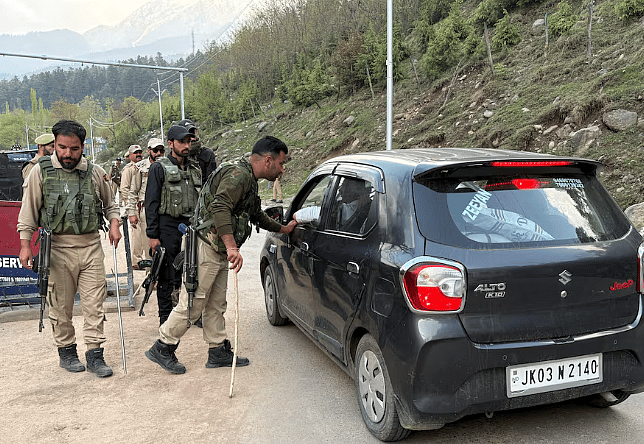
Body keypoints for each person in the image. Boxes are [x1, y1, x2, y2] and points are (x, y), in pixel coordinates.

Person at [145, 135, 297, 374]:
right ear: (268, 160)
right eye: (281, 163)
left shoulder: (247, 178)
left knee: (216, 303)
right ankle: (163, 346)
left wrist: (284, 229)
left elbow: (255, 214)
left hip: (218, 248)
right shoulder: (238, 175)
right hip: (207, 245)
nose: (282, 169)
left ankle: (217, 350)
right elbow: (220, 206)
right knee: (193, 303)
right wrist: (232, 247)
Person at [17, 119, 121, 378]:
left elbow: (111, 205)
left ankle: (95, 354)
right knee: (60, 307)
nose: (67, 154)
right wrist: (25, 245)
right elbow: (28, 212)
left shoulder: (95, 172)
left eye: (74, 149)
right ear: (54, 144)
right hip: (57, 249)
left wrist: (114, 224)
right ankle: (67, 352)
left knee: (94, 304)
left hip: (90, 246)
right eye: (62, 147)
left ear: (82, 147)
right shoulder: (40, 172)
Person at [145, 127, 202, 324]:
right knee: (167, 275)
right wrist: (153, 235)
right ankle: (165, 319)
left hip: (191, 227)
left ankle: (193, 314)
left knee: (194, 272)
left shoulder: (194, 168)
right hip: (167, 227)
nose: (186, 146)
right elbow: (151, 203)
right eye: (181, 142)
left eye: (188, 142)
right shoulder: (158, 168)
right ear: (170, 144)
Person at [127, 138, 165, 269]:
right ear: (149, 151)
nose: (158, 153)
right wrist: (132, 213)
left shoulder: (169, 165)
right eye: (155, 150)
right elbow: (133, 192)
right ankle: (150, 274)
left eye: (161, 151)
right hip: (147, 211)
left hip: (165, 210)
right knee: (149, 245)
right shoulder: (140, 168)